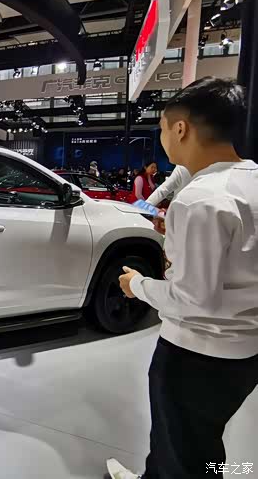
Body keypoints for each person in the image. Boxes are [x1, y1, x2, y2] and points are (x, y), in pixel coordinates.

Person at [111, 77, 258, 479]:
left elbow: (194, 299)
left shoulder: (200, 198)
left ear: (181, 129)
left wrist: (137, 285)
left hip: (196, 355)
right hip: (245, 353)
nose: (162, 139)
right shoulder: (250, 180)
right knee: (189, 442)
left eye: (161, 129)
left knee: (186, 456)